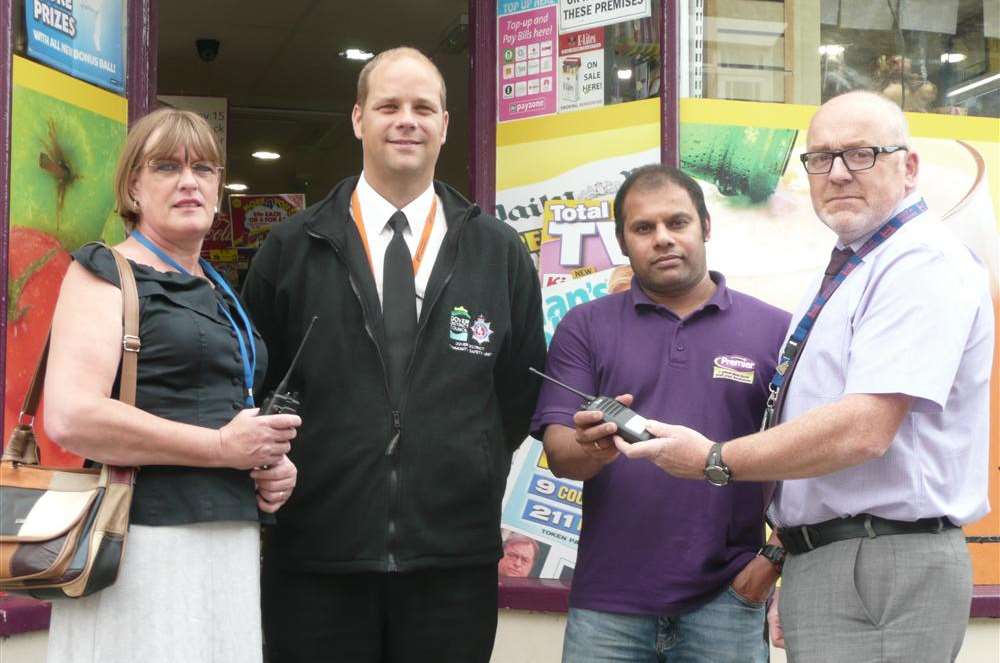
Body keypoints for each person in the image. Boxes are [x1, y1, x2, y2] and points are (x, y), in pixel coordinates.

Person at [617, 91, 993, 662]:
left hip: (881, 560)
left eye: (862, 154)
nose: (838, 173)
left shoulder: (921, 261)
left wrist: (713, 459)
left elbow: (863, 430)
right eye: (820, 159)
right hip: (839, 557)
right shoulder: (855, 263)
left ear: (909, 166)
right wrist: (793, 556)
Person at [242, 46, 545, 663]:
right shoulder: (293, 246)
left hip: (452, 559)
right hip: (317, 555)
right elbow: (255, 381)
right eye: (388, 105)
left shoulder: (498, 250)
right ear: (358, 119)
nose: (406, 120)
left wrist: (466, 464)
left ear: (444, 125)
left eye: (422, 107)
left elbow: (516, 392)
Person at [41, 108, 301, 663]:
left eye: (204, 168)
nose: (190, 181)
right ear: (134, 186)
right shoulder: (104, 271)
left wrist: (266, 464)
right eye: (167, 167)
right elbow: (70, 416)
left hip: (229, 544)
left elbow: (225, 411)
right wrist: (220, 449)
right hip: (138, 545)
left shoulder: (221, 290)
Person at [530, 164, 791, 662]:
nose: (663, 239)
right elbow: (562, 454)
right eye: (644, 228)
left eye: (678, 223)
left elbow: (808, 459)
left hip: (727, 599)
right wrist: (592, 446)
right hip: (608, 602)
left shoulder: (774, 330)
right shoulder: (584, 327)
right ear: (623, 243)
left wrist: (772, 560)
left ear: (706, 226)